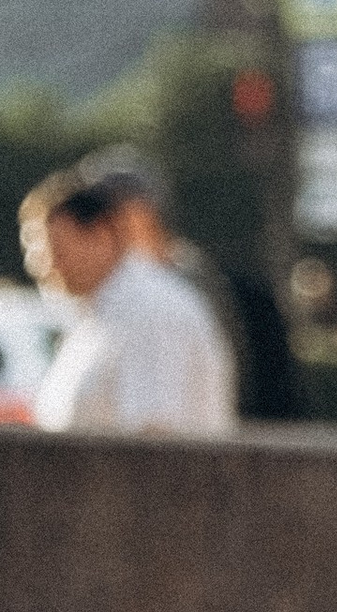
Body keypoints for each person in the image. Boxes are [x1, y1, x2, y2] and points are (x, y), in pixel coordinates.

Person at [22, 169, 236, 437]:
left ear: (100, 235)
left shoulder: (152, 308)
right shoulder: (108, 309)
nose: (41, 266)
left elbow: (154, 436)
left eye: (55, 250)